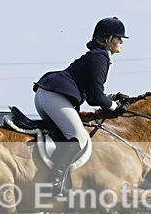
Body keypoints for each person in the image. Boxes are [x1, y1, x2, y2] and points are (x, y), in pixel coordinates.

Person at [33, 17, 128, 196]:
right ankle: (53, 184)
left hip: (47, 95)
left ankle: (57, 179)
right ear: (108, 39)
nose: (121, 42)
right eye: (118, 38)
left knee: (63, 137)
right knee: (79, 137)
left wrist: (113, 97)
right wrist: (115, 107)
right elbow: (95, 98)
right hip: (54, 96)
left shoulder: (96, 55)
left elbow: (92, 94)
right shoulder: (100, 57)